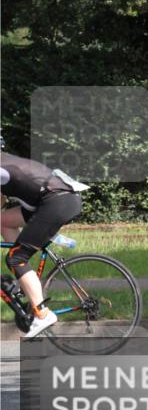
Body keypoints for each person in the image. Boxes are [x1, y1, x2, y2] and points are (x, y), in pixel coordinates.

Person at [0, 136, 88, 337]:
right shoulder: (5, 161)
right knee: (2, 221)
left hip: (56, 202)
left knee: (16, 257)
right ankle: (23, 279)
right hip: (52, 200)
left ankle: (42, 314)